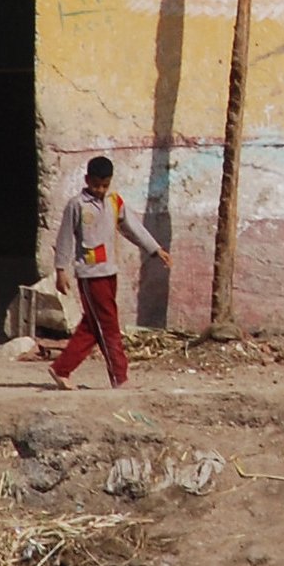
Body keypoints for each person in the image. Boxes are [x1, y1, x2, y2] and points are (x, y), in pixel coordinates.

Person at [49, 155, 172, 390]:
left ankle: (61, 368)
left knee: (93, 326)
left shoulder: (115, 202)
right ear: (87, 180)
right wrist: (61, 270)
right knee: (108, 326)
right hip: (89, 274)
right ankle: (119, 377)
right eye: (96, 184)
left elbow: (133, 228)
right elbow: (64, 237)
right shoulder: (76, 205)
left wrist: (155, 249)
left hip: (109, 272)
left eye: (105, 185)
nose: (100, 190)